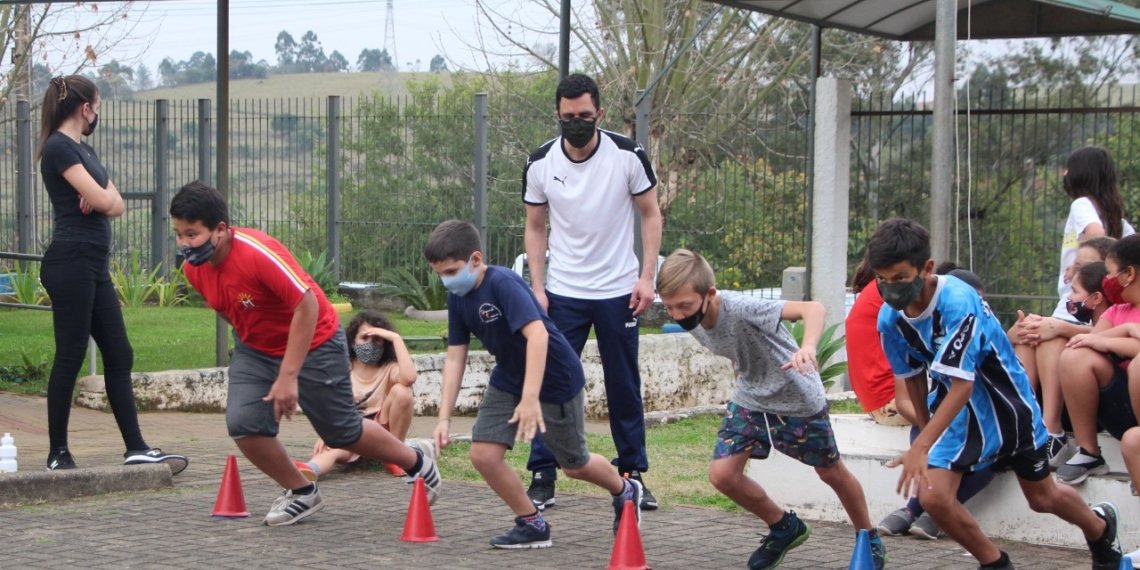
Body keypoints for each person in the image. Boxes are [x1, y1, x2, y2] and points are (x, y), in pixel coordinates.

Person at [169, 181, 440, 526]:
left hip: (315, 341)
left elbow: (307, 305)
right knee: (244, 425)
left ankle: (416, 460)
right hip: (256, 349)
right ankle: (301, 492)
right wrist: (255, 348)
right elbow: (227, 309)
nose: (184, 244)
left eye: (192, 234)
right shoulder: (194, 270)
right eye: (178, 234)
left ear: (220, 230)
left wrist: (288, 375)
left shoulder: (256, 254)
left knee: (341, 433)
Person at [868, 217, 1121, 570]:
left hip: (1008, 407)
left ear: (926, 268)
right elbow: (912, 378)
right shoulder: (890, 320)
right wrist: (926, 436)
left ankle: (1099, 527)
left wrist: (922, 446)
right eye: (881, 279)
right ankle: (996, 564)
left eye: (899, 278)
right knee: (934, 499)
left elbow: (964, 384)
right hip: (958, 415)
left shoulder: (958, 302)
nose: (890, 288)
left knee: (1042, 498)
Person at [656, 248, 886, 570]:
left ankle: (868, 535)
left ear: (710, 293)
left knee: (830, 472)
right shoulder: (692, 318)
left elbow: (813, 308)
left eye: (684, 306)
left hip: (796, 396)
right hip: (751, 398)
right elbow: (738, 347)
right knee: (723, 475)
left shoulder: (741, 307)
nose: (677, 314)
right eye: (669, 307)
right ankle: (784, 527)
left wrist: (807, 348)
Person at [424, 220, 643, 549]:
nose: (447, 280)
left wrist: (530, 398)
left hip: (555, 378)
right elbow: (456, 357)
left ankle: (625, 491)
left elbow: (538, 335)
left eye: (452, 271)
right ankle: (532, 524)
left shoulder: (503, 283)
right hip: (509, 377)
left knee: (575, 465)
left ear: (475, 259)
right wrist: (444, 418)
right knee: (483, 455)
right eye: (440, 274)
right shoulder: (459, 297)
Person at [522, 73, 662, 510]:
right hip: (563, 292)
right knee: (551, 380)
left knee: (624, 384)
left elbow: (651, 214)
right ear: (558, 115)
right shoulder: (540, 162)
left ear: (599, 113)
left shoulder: (628, 155)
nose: (576, 123)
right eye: (568, 117)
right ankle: (542, 473)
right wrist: (538, 288)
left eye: (584, 115)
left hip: (619, 290)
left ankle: (632, 473)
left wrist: (647, 278)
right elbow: (535, 226)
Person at [36, 75, 187, 473]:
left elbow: (115, 203)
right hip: (71, 262)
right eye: (97, 107)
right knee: (70, 354)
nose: (96, 114)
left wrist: (103, 198)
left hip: (93, 264)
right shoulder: (58, 148)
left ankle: (135, 447)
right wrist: (102, 198)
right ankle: (57, 454)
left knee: (119, 354)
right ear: (85, 108)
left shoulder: (84, 151)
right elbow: (106, 199)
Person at [1017, 146, 1134, 466]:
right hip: (1076, 309)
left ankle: (1049, 428)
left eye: (1069, 168)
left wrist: (1086, 263)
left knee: (1045, 334)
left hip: (1073, 310)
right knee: (1029, 334)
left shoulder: (1082, 204)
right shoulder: (1120, 222)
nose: (1065, 175)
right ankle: (1032, 427)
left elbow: (1096, 235)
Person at [875, 263, 996, 540]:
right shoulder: (907, 332)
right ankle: (917, 509)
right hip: (939, 418)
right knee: (931, 438)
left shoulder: (984, 331)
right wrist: (930, 429)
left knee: (988, 451)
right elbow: (905, 399)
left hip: (985, 420)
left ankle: (927, 510)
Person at [1010, 236, 1116, 469]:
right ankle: (1022, 427)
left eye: (1085, 266)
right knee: (1031, 338)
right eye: (1076, 264)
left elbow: (1111, 334)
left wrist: (1061, 328)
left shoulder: (1117, 310)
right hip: (1051, 390)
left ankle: (1052, 433)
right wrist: (1016, 333)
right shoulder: (1072, 299)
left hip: (1086, 399)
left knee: (1054, 339)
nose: (1074, 271)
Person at [1056, 235, 1140, 485]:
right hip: (1121, 405)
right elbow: (1089, 341)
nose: (1107, 280)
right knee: (1075, 355)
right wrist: (1125, 331)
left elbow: (1101, 340)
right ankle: (1088, 452)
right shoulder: (1116, 311)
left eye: (1110, 273)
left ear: (1129, 274)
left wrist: (1108, 341)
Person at [295, 310, 417, 480]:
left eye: (377, 339)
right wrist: (325, 433)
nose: (371, 344)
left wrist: (395, 338)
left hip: (383, 432)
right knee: (332, 451)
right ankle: (307, 471)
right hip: (353, 429)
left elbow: (409, 378)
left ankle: (397, 457)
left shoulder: (390, 368)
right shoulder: (343, 367)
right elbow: (331, 404)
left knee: (403, 392)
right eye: (365, 338)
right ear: (352, 341)